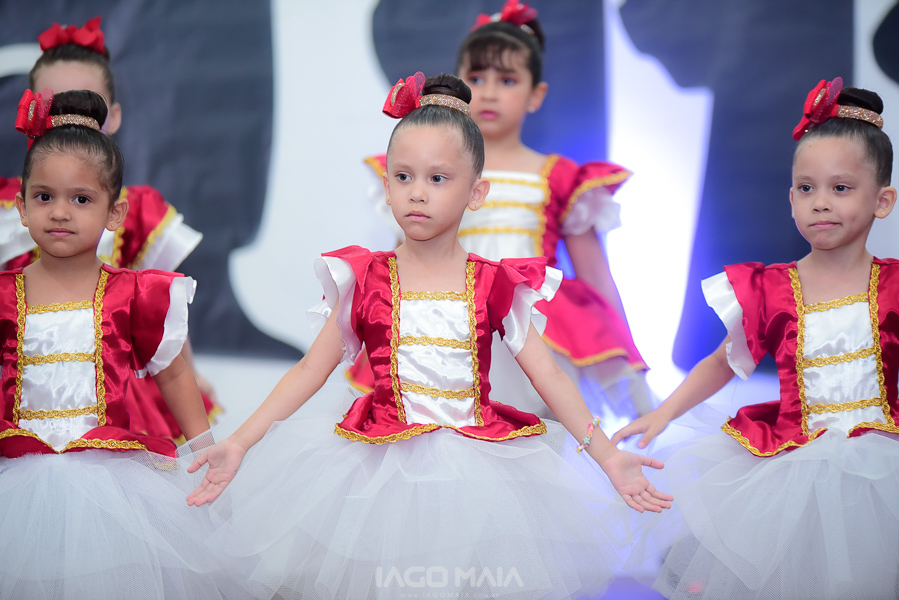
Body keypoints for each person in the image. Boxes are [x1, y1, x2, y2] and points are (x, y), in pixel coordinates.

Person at [187, 73, 671, 600]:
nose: (417, 192)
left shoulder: (496, 283)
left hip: (479, 478)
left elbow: (549, 375)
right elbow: (309, 369)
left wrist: (607, 455)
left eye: (438, 178)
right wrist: (240, 441)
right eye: (403, 176)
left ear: (476, 192)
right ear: (386, 186)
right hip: (376, 478)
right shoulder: (365, 280)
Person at [612, 78, 899, 599]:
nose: (820, 203)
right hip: (793, 468)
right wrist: (664, 413)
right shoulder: (771, 288)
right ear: (790, 199)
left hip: (882, 467)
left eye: (840, 188)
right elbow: (722, 361)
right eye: (806, 189)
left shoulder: (894, 285)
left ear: (882, 201)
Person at [354, 1, 650, 426]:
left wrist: (629, 356)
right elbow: (403, 260)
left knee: (534, 432)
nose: (489, 92)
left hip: (536, 326)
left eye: (507, 80)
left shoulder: (561, 177)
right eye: (476, 79)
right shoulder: (426, 173)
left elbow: (596, 278)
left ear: (536, 94)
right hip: (448, 317)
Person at [0, 88, 241, 599]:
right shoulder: (4, 295)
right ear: (20, 207)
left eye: (81, 199)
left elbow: (173, 373)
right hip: (15, 478)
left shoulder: (133, 293)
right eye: (44, 197)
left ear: (115, 213)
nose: (60, 212)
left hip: (108, 483)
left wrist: (204, 451)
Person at [0, 16, 220, 442]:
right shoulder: (9, 206)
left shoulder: (137, 211)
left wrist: (191, 373)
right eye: (55, 105)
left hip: (118, 392)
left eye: (84, 104)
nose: (68, 117)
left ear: (112, 115)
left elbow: (161, 322)